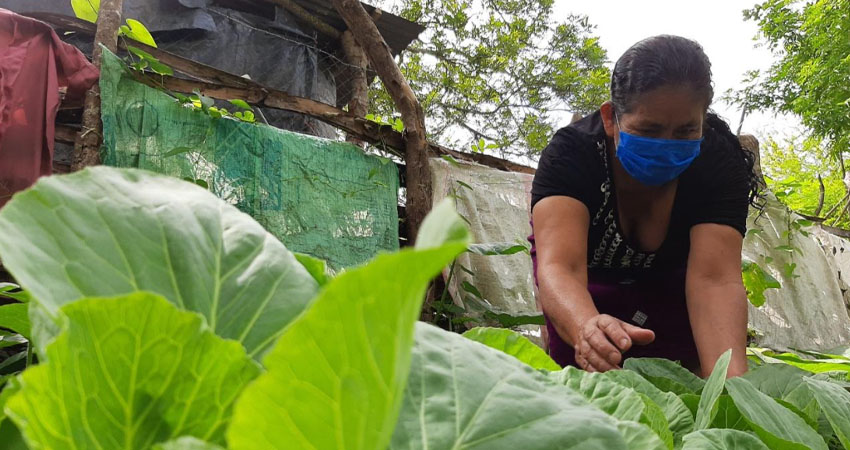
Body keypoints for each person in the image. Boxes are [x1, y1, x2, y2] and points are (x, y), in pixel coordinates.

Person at [529, 35, 760, 378]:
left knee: (688, 379)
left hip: (673, 287)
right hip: (589, 280)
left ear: (703, 122)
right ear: (611, 119)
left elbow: (715, 281)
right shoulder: (572, 154)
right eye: (648, 129)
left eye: (685, 131)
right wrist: (585, 329)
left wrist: (736, 397)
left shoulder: (718, 162)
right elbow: (560, 267)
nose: (666, 145)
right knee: (585, 374)